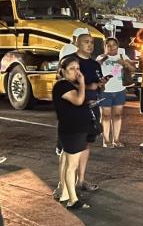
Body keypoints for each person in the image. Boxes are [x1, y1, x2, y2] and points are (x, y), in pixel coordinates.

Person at [64, 32, 106, 192]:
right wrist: (88, 87)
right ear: (77, 43)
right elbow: (64, 85)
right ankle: (65, 184)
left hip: (93, 108)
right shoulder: (71, 62)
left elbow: (100, 86)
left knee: (86, 143)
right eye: (86, 42)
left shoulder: (95, 65)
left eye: (92, 43)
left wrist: (101, 85)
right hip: (75, 108)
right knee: (72, 146)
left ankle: (80, 180)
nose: (90, 45)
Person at [52, 56, 91, 209]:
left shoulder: (67, 85)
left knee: (65, 161)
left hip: (72, 129)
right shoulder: (62, 85)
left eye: (78, 68)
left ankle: (65, 194)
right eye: (72, 69)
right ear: (62, 71)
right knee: (72, 165)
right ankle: (73, 200)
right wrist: (82, 83)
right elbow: (78, 101)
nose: (76, 72)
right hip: (72, 131)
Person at [97, 38, 136, 148]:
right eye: (108, 45)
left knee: (118, 115)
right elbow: (94, 69)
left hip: (119, 90)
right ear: (104, 47)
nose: (111, 47)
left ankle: (116, 140)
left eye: (114, 44)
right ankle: (106, 140)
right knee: (105, 116)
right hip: (105, 91)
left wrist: (124, 64)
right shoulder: (101, 57)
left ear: (117, 46)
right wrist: (100, 61)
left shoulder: (122, 56)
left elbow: (133, 69)